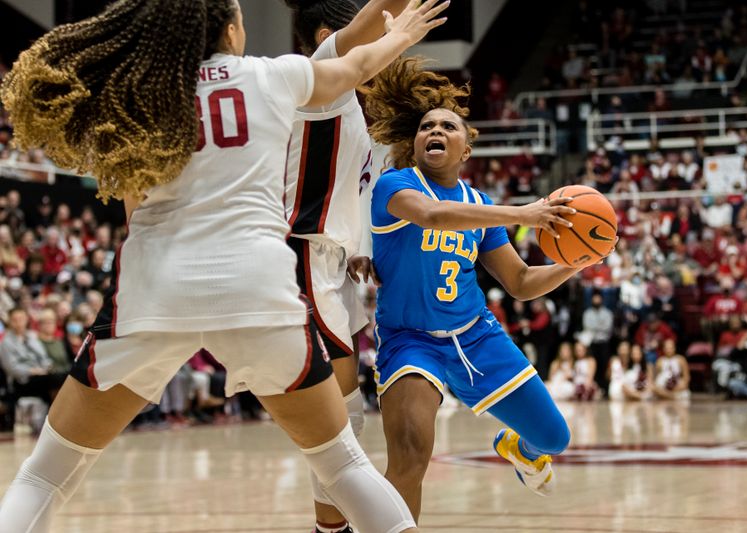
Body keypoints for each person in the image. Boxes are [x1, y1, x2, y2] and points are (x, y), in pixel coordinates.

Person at [0, 0, 448, 530]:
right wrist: (403, 35)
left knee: (44, 476)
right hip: (256, 284)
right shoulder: (272, 74)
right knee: (343, 463)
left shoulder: (138, 96)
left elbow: (133, 209)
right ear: (233, 30)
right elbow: (353, 68)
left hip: (155, 288)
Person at [359, 56, 614, 520]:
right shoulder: (394, 186)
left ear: (466, 150)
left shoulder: (479, 205)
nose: (435, 131)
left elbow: (518, 282)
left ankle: (517, 447)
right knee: (412, 457)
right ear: (414, 144)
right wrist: (526, 213)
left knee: (554, 438)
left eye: (447, 127)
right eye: (426, 127)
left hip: (477, 336)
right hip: (410, 342)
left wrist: (578, 261)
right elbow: (434, 216)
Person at [281, 1, 409, 531]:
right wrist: (393, 23)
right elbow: (377, 15)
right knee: (340, 423)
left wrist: (357, 247)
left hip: (330, 266)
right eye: (379, 37)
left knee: (341, 422)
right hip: (301, 257)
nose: (387, 44)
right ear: (330, 37)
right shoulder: (321, 81)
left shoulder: (348, 105)